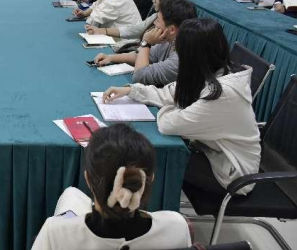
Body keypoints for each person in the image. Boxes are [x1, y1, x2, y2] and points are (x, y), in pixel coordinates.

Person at [103, 19, 260, 195]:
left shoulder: (223, 94)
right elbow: (168, 93)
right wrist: (131, 90)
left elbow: (168, 125)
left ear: (193, 55)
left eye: (180, 52)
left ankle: (149, 207)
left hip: (232, 175)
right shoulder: (209, 72)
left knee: (152, 157)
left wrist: (174, 107)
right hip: (210, 151)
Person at [32, 123, 192, 250]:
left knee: (71, 194)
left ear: (87, 179)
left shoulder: (55, 233)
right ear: (148, 180)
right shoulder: (177, 227)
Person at [93, 0, 197, 86]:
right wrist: (111, 57)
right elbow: (142, 57)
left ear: (172, 29)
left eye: (158, 20)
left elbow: (139, 76)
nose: (154, 23)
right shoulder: (169, 40)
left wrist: (146, 43)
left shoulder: (182, 57)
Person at [85, 0, 186, 40]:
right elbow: (136, 29)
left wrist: (146, 44)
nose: (153, 0)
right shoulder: (157, 15)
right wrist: (103, 30)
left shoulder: (169, 28)